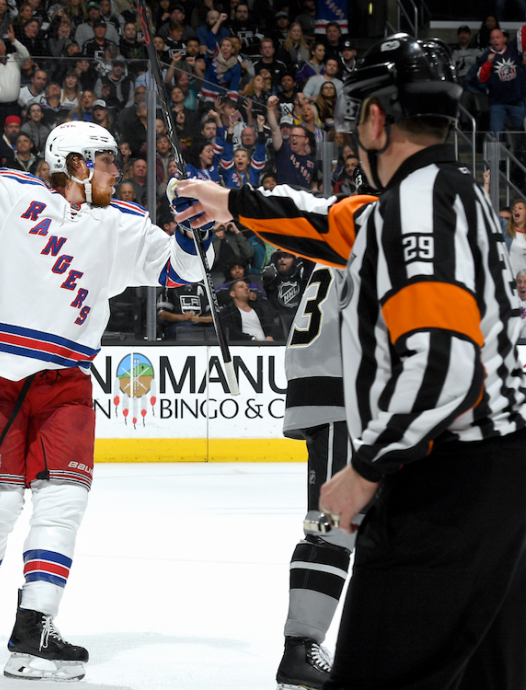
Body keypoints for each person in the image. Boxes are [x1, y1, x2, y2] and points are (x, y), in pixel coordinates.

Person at [173, 35, 526, 690]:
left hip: (448, 492)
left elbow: (442, 364)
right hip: (496, 483)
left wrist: (363, 472)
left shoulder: (412, 209)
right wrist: (230, 203)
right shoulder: (455, 193)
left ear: (372, 119)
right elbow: (325, 222)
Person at [0, 74, 212, 680]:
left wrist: (192, 229)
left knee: (64, 501)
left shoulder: (122, 223)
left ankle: (33, 629)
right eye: (106, 161)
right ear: (71, 163)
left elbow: (180, 274)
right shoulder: (8, 193)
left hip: (68, 378)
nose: (117, 170)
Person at [272, 264, 354, 689]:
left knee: (338, 526)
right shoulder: (372, 242)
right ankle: (301, 649)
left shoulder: (333, 246)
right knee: (333, 529)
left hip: (325, 393)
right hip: (344, 396)